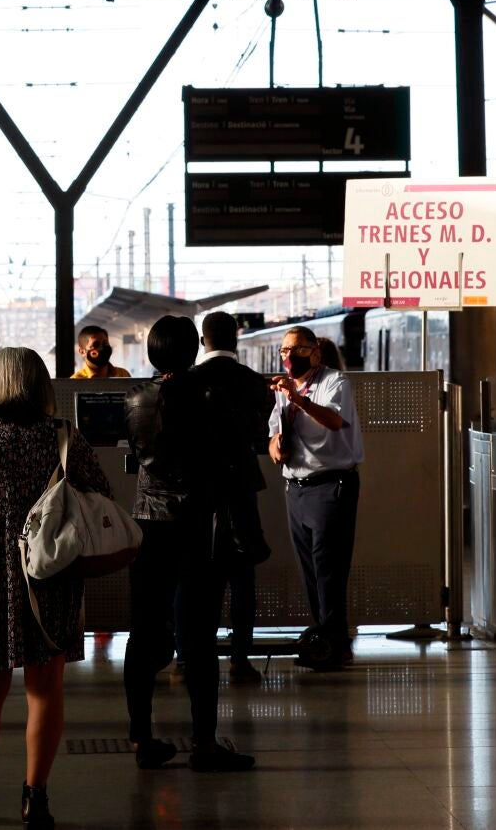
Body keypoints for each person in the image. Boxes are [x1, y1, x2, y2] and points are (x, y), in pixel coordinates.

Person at [0, 347, 116, 827]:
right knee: (45, 688)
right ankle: (36, 799)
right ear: (40, 386)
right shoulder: (63, 437)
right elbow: (101, 497)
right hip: (51, 577)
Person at [123, 316, 257, 772]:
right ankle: (204, 743)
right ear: (192, 350)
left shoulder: (134, 398)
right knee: (199, 637)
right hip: (198, 524)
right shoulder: (209, 397)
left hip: (148, 524)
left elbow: (140, 454)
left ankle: (142, 739)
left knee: (143, 632)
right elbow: (229, 457)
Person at [267, 326, 365, 670]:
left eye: (297, 350)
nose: (289, 357)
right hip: (296, 488)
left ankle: (334, 645)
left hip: (331, 486)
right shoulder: (284, 389)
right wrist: (276, 447)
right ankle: (328, 640)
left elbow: (334, 421)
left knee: (329, 568)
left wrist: (299, 399)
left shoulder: (335, 383)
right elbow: (273, 435)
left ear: (315, 353)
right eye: (284, 351)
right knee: (310, 570)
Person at [194, 311, 276, 685]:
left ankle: (192, 658)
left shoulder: (189, 382)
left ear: (202, 341)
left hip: (199, 491)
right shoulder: (254, 382)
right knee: (243, 575)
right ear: (237, 339)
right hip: (241, 488)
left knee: (197, 577)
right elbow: (261, 433)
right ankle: (240, 659)